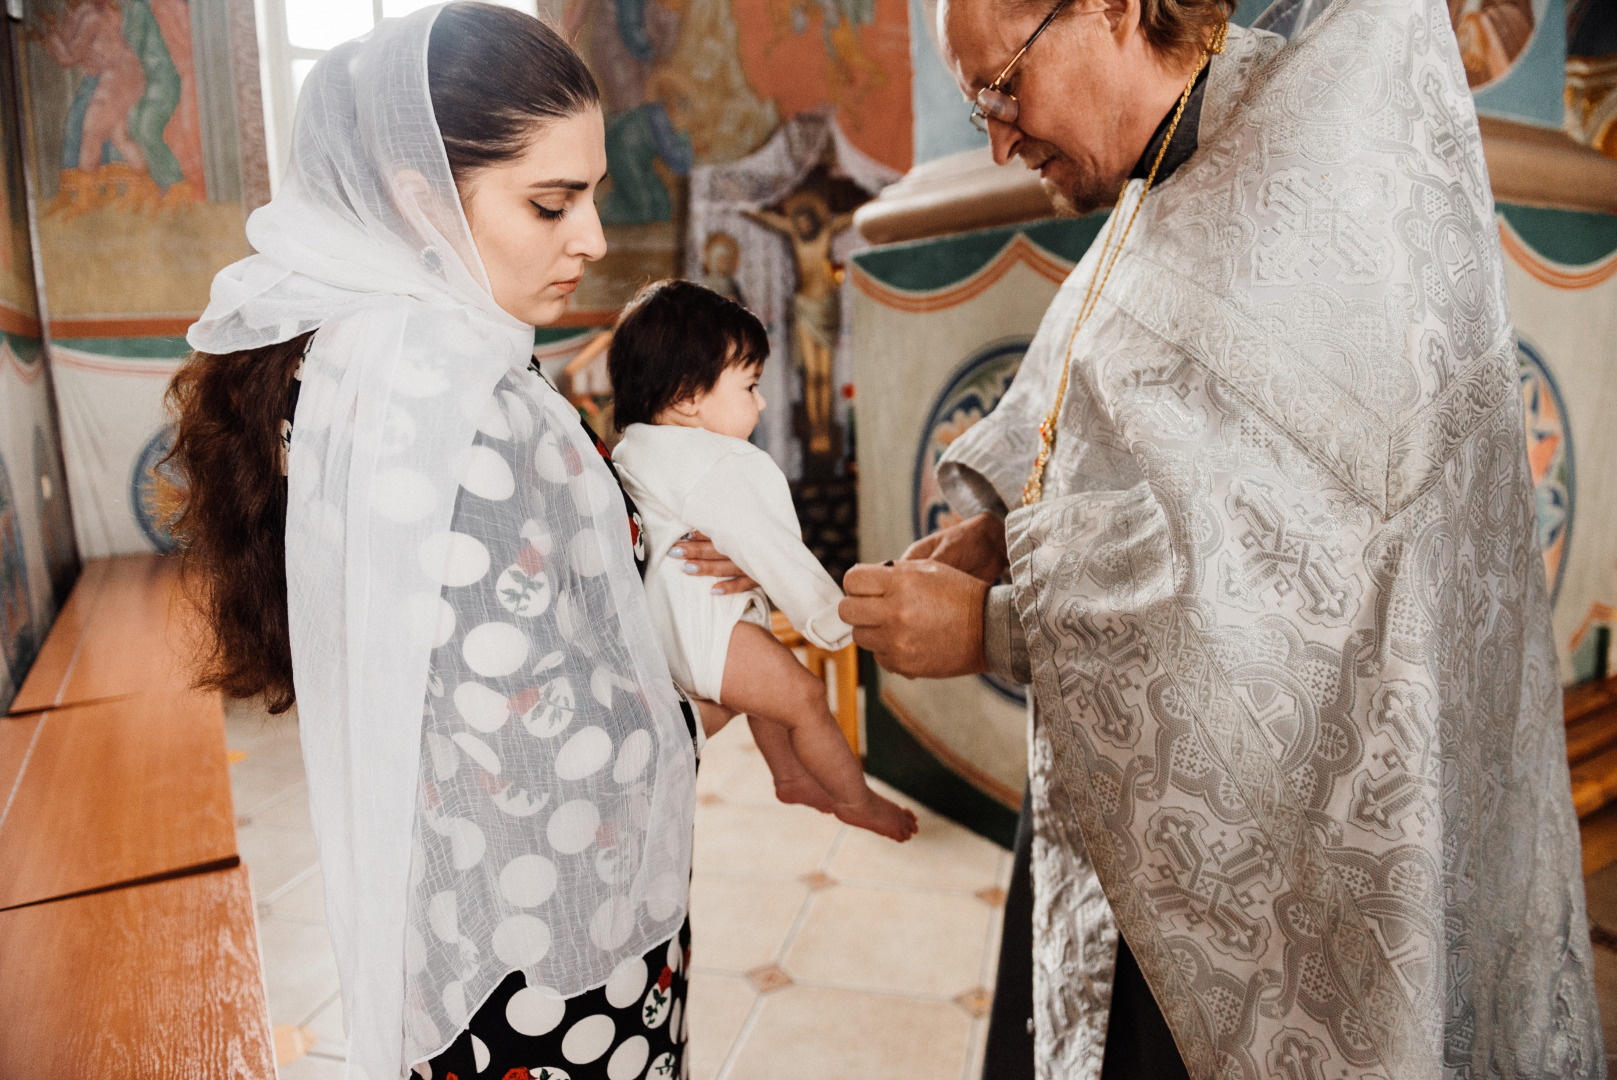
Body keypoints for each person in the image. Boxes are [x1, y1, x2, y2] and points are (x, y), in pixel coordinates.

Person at [839, 0, 1604, 1077]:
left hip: (1280, 863)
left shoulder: (1312, 164)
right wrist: (1004, 533)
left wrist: (994, 631)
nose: (998, 138)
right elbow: (1166, 453)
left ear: (1106, 6)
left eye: (1003, 86)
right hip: (1145, 804)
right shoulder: (1187, 159)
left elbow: (1296, 583)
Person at [166, 6, 753, 1077]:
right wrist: (723, 691)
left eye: (592, 196)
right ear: (417, 194)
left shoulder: (348, 355)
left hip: (459, 897)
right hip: (543, 954)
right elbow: (538, 739)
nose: (592, 239)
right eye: (550, 202)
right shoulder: (449, 392)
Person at [608, 279, 918, 842]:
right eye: (750, 385)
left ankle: (790, 774)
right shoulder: (720, 461)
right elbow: (776, 554)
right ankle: (857, 800)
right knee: (802, 694)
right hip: (708, 632)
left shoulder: (635, 447)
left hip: (667, 633)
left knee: (767, 695)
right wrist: (833, 616)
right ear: (687, 397)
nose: (762, 401)